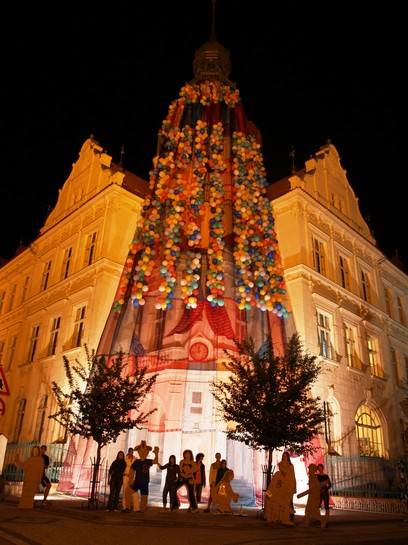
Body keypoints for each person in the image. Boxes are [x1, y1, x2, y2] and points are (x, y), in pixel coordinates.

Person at [264, 451, 296, 526]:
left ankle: (286, 517)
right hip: (275, 495)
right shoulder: (277, 475)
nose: (284, 469)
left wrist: (293, 489)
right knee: (272, 498)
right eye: (282, 467)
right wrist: (269, 494)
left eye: (286, 467)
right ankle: (275, 516)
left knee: (285, 501)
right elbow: (270, 488)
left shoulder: (289, 476)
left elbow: (292, 482)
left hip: (283, 495)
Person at [129, 440, 159, 513]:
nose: (142, 452)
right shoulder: (137, 461)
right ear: (138, 452)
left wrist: (156, 453)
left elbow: (155, 461)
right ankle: (127, 507)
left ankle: (142, 509)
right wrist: (131, 480)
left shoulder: (148, 461)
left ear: (147, 452)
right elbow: (132, 470)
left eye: (145, 451)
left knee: (144, 495)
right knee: (128, 492)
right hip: (137, 481)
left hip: (145, 481)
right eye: (141, 451)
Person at [297, 463, 329, 529]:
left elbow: (316, 487)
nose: (309, 471)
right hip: (311, 496)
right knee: (308, 510)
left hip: (315, 497)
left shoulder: (314, 477)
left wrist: (301, 495)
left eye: (310, 469)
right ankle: (306, 522)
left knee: (313, 512)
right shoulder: (311, 477)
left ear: (313, 470)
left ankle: (323, 521)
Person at [121, 447, 139, 512]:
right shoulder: (125, 459)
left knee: (134, 492)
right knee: (125, 491)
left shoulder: (135, 459)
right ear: (128, 452)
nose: (131, 452)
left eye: (132, 451)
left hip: (132, 477)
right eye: (130, 451)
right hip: (126, 476)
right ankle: (125, 507)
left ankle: (136, 508)